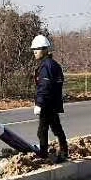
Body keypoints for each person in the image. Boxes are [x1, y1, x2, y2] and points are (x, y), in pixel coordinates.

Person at [31, 33, 68, 161]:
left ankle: (43, 154)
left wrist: (39, 104)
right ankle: (64, 151)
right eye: (34, 49)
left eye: (37, 49)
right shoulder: (53, 64)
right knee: (56, 128)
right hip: (53, 103)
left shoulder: (46, 66)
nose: (35, 52)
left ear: (45, 50)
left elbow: (45, 86)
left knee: (42, 130)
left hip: (47, 104)